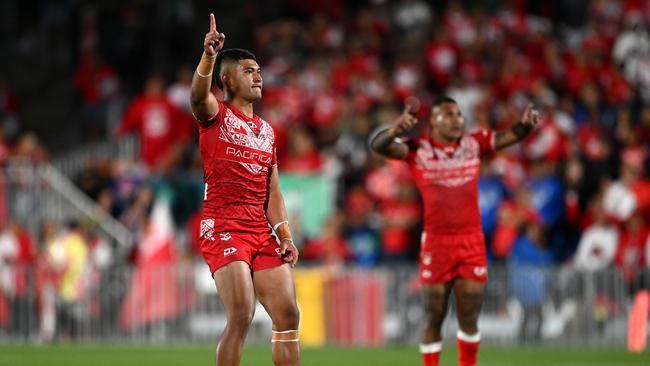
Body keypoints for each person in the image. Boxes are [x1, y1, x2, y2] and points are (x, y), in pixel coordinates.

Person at [370, 96, 539, 366]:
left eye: (458, 114)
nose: (456, 119)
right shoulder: (418, 149)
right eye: (448, 115)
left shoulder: (474, 143)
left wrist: (525, 126)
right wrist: (395, 131)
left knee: (469, 315)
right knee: (434, 315)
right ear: (433, 121)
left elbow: (509, 136)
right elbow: (377, 145)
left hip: (471, 241)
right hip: (437, 243)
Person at [189, 13, 300, 366]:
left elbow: (274, 192)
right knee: (241, 314)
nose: (258, 76)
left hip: (258, 228)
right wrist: (208, 55)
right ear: (227, 79)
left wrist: (284, 235)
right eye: (248, 71)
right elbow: (196, 96)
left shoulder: (267, 131)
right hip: (223, 224)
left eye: (259, 71)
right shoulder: (215, 114)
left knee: (288, 315)